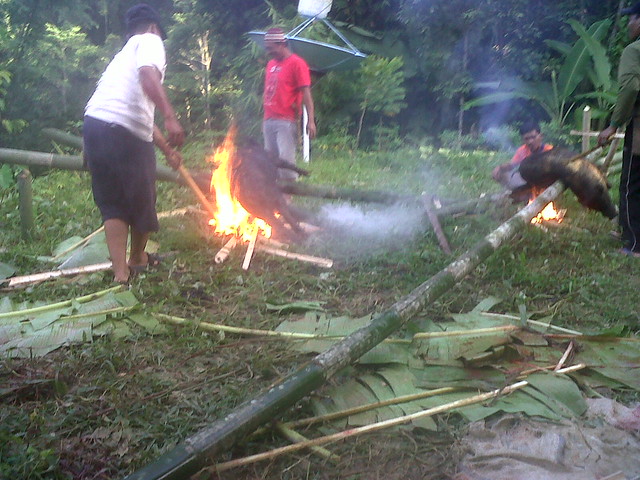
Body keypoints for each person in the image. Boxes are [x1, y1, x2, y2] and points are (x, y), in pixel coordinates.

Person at [83, 3, 185, 283]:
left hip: (95, 125)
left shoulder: (122, 56)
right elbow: (148, 78)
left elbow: (137, 116)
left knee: (112, 202)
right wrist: (171, 116)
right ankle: (138, 258)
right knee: (143, 199)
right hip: (124, 133)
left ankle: (121, 274)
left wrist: (166, 151)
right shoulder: (150, 40)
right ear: (154, 27)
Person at [598, 2, 640, 257]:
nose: (628, 25)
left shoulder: (634, 51)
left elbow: (630, 89)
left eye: (631, 19)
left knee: (630, 185)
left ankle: (634, 244)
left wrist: (613, 125)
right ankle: (627, 229)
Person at [262, 27, 316, 180]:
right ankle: (273, 198)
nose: (269, 52)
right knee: (269, 163)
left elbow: (306, 93)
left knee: (285, 163)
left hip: (286, 120)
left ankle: (288, 199)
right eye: (267, 48)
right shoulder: (271, 64)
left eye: (271, 48)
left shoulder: (297, 64)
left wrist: (311, 121)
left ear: (281, 44)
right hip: (268, 119)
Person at [492, 121, 553, 201]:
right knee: (503, 174)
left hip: (545, 183)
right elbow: (512, 165)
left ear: (541, 136)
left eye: (533, 137)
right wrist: (500, 168)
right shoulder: (522, 150)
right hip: (528, 182)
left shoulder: (549, 150)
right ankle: (524, 195)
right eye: (527, 139)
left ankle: (529, 195)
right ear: (523, 140)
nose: (530, 141)